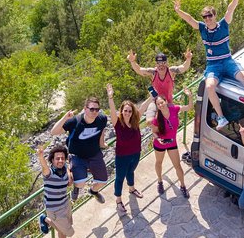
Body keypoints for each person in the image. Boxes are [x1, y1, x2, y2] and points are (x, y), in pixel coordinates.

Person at [173, 0, 244, 131]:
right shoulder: (202, 28)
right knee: (209, 86)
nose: (207, 19)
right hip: (213, 65)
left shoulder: (223, 24)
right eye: (205, 17)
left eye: (210, 16)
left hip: (227, 61)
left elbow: (230, 10)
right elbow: (189, 19)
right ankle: (221, 118)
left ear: (215, 15)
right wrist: (178, 11)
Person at [51, 97, 108, 203]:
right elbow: (53, 132)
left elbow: (101, 130)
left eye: (97, 109)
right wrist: (65, 117)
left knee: (103, 181)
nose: (94, 112)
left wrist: (102, 143)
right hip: (77, 155)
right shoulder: (75, 121)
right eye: (91, 109)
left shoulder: (102, 119)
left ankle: (93, 191)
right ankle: (76, 187)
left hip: (94, 154)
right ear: (85, 109)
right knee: (80, 183)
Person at [106, 83, 147, 215]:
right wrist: (110, 97)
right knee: (119, 177)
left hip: (135, 153)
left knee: (131, 171)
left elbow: (144, 107)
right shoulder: (118, 123)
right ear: (121, 111)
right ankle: (118, 200)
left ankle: (132, 189)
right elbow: (112, 111)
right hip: (122, 156)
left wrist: (153, 96)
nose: (128, 113)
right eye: (125, 111)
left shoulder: (135, 120)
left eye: (130, 111)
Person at [37, 144, 77, 238]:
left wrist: (70, 175)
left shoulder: (64, 168)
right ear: (52, 160)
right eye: (57, 158)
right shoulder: (49, 173)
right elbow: (44, 167)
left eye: (62, 158)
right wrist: (40, 155)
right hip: (54, 209)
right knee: (68, 231)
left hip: (65, 203)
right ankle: (45, 219)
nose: (60, 160)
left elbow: (69, 181)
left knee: (62, 229)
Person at [127, 49, 192, 120]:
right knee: (149, 121)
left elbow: (183, 67)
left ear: (166, 63)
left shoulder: (171, 71)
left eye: (163, 62)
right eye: (159, 63)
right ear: (156, 64)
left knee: (170, 123)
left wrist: (188, 59)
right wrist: (132, 61)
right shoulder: (153, 72)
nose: (161, 65)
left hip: (168, 103)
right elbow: (139, 70)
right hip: (155, 102)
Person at [151, 89, 193, 198]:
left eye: (162, 102)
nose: (161, 105)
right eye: (158, 104)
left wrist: (189, 96)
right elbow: (154, 132)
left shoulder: (174, 109)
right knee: (159, 162)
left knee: (177, 166)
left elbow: (189, 107)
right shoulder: (156, 118)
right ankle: (160, 181)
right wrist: (158, 139)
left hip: (172, 143)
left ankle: (183, 186)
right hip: (160, 144)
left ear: (166, 101)